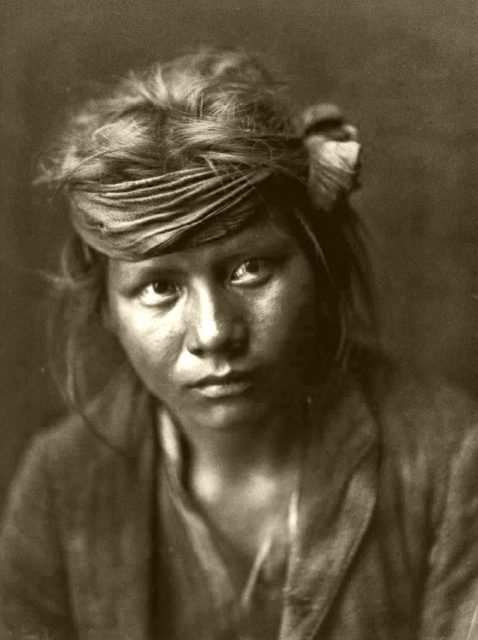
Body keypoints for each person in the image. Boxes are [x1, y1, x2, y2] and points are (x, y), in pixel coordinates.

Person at [1, 48, 478, 640]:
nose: (213, 333)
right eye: (158, 286)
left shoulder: (449, 459)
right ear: (108, 310)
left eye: (250, 268)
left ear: (317, 263)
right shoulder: (60, 482)